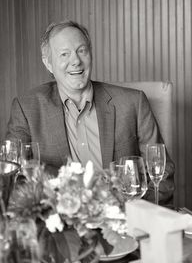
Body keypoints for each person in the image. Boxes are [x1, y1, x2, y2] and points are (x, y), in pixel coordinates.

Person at [5, 20, 175, 205]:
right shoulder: (27, 108)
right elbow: (12, 176)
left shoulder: (132, 103)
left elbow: (162, 174)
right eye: (64, 54)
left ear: (90, 54)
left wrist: (133, 213)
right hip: (60, 222)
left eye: (82, 50)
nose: (76, 61)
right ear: (48, 63)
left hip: (124, 219)